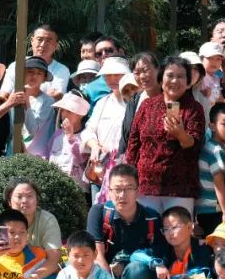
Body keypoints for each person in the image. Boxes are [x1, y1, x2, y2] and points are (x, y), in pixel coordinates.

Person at [124, 56, 205, 213]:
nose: (174, 81)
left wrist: (180, 134)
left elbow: (194, 144)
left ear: (188, 83)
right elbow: (133, 144)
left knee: (177, 234)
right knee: (148, 233)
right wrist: (129, 177)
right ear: (161, 79)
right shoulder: (147, 106)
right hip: (145, 186)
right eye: (170, 75)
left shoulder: (194, 108)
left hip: (180, 187)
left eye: (180, 76)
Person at [85, 164, 163, 279]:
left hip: (140, 278)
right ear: (109, 191)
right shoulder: (98, 213)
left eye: (128, 189)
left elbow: (159, 257)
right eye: (117, 189)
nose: (122, 195)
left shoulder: (152, 218)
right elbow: (97, 254)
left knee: (136, 269)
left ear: (137, 191)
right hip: (107, 276)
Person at [0, 178, 62, 279]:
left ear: (37, 200)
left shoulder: (47, 220)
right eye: (19, 196)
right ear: (9, 202)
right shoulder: (0, 222)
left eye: (30, 196)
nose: (24, 201)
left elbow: (53, 260)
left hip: (37, 278)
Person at [82, 56, 131, 189]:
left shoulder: (135, 103)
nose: (112, 79)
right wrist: (94, 146)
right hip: (100, 166)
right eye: (108, 75)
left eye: (117, 74)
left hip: (126, 169)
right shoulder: (101, 103)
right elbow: (89, 130)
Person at [153, 207, 215, 279]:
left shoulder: (202, 248)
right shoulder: (165, 249)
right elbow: (136, 254)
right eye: (166, 229)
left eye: (174, 227)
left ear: (189, 227)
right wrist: (156, 263)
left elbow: (200, 275)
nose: (170, 233)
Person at [195, 101, 225, 235]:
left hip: (204, 210)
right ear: (212, 126)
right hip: (214, 210)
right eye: (224, 124)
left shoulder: (210, 147)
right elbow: (219, 184)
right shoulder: (216, 150)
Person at [0, 22, 70, 99]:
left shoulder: (62, 70)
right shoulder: (17, 65)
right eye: (39, 39)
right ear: (32, 41)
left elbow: (57, 96)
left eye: (48, 41)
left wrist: (20, 95)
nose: (43, 45)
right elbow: (4, 95)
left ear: (56, 45)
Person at [55, 231, 120, 279]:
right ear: (68, 255)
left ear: (95, 254)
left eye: (86, 255)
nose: (81, 260)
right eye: (76, 256)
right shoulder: (64, 275)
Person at [118, 52, 161, 155]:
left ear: (158, 69)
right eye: (136, 73)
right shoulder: (134, 100)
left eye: (145, 70)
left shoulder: (171, 99)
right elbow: (125, 136)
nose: (142, 76)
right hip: (134, 164)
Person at [47, 92, 90, 191]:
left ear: (80, 115)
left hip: (78, 190)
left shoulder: (87, 136)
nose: (64, 114)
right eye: (62, 111)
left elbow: (82, 161)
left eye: (69, 111)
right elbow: (50, 157)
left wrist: (70, 137)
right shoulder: (57, 135)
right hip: (56, 187)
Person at [19, 56, 57, 157]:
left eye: (39, 73)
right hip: (14, 154)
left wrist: (26, 102)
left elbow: (33, 130)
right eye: (30, 71)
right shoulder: (14, 97)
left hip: (38, 157)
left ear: (44, 78)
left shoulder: (48, 101)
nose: (34, 76)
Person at [79, 36, 124, 105]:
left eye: (109, 50)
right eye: (99, 54)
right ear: (96, 59)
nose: (104, 55)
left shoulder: (135, 80)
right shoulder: (90, 90)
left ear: (120, 52)